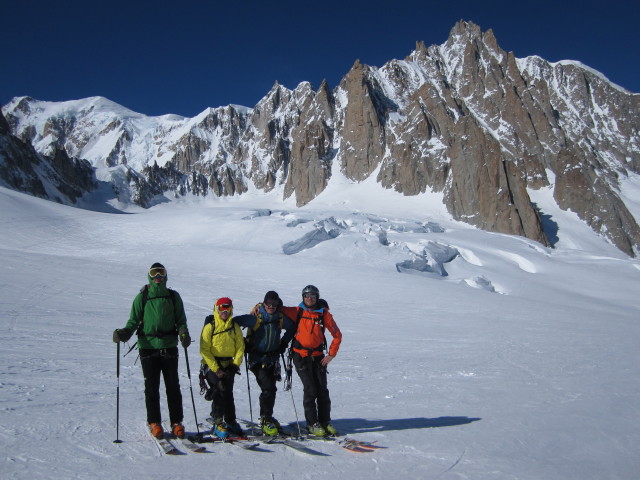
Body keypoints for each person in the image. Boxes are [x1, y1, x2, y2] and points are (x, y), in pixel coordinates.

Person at [112, 263, 191, 439]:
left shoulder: (173, 296)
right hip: (147, 347)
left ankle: (176, 421)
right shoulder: (142, 297)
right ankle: (154, 421)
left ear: (165, 276)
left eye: (161, 273)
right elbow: (133, 321)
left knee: (173, 386)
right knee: (151, 387)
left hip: (169, 345)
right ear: (149, 276)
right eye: (154, 273)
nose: (157, 276)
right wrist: (124, 333)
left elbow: (181, 320)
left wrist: (184, 334)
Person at [281, 285, 342, 437]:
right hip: (300, 356)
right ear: (303, 298)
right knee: (310, 389)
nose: (310, 298)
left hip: (318, 357)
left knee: (322, 390)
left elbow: (337, 335)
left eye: (313, 296)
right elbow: (276, 307)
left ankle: (325, 421)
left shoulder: (324, 314)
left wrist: (331, 354)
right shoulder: (297, 311)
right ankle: (312, 423)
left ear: (317, 298)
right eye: (307, 296)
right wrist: (258, 306)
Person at [234, 291, 296, 436]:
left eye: (274, 304)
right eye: (268, 303)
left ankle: (267, 416)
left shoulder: (279, 318)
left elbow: (292, 328)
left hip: (272, 360)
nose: (271, 306)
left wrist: (284, 343)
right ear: (263, 303)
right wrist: (242, 342)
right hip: (257, 359)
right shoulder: (256, 318)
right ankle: (265, 419)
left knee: (271, 389)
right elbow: (235, 322)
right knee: (268, 388)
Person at [200, 297, 245, 438]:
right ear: (216, 309)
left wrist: (235, 364)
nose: (225, 311)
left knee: (228, 392)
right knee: (220, 390)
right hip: (211, 365)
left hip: (228, 365)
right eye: (222, 308)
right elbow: (204, 349)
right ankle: (218, 421)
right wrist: (216, 368)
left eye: (228, 308)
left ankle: (230, 420)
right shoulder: (210, 326)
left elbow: (240, 347)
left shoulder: (234, 327)